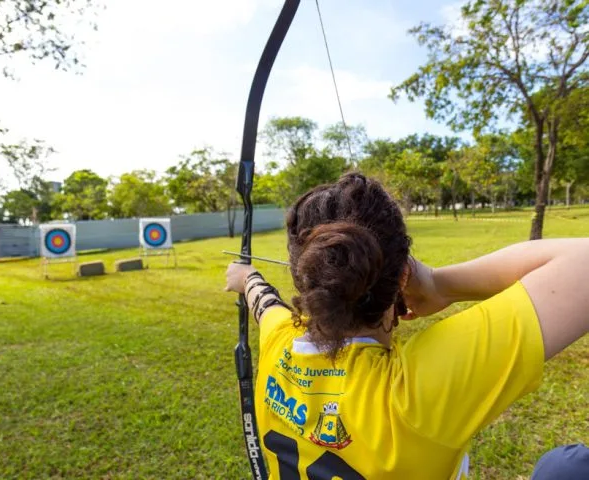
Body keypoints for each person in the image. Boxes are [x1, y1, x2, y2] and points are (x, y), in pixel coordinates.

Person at [224, 173, 589, 480]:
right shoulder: (416, 392)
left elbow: (263, 301)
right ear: (402, 275)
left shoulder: (278, 339)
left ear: (304, 275)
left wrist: (245, 276)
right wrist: (438, 284)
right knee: (567, 468)